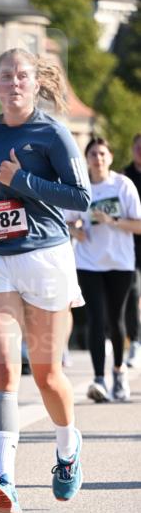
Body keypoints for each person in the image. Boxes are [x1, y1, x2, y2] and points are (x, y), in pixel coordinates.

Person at [0, 47, 91, 513]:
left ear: (35, 84)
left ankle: (68, 447)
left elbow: (81, 197)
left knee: (48, 374)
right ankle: (2, 479)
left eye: (22, 76)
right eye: (5, 76)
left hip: (45, 257)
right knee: (3, 372)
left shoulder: (51, 133)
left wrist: (23, 180)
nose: (13, 83)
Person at [69, 137, 141, 403]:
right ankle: (99, 379)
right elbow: (65, 221)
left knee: (116, 320)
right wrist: (75, 230)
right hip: (88, 262)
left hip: (119, 263)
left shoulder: (123, 185)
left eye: (102, 154)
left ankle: (119, 374)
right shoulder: (80, 187)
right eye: (92, 154)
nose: (97, 159)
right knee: (96, 320)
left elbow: (139, 225)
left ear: (110, 157)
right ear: (86, 159)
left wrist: (112, 220)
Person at [123, 132, 141, 368]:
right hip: (132, 246)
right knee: (134, 293)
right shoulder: (124, 177)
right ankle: (135, 342)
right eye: (138, 147)